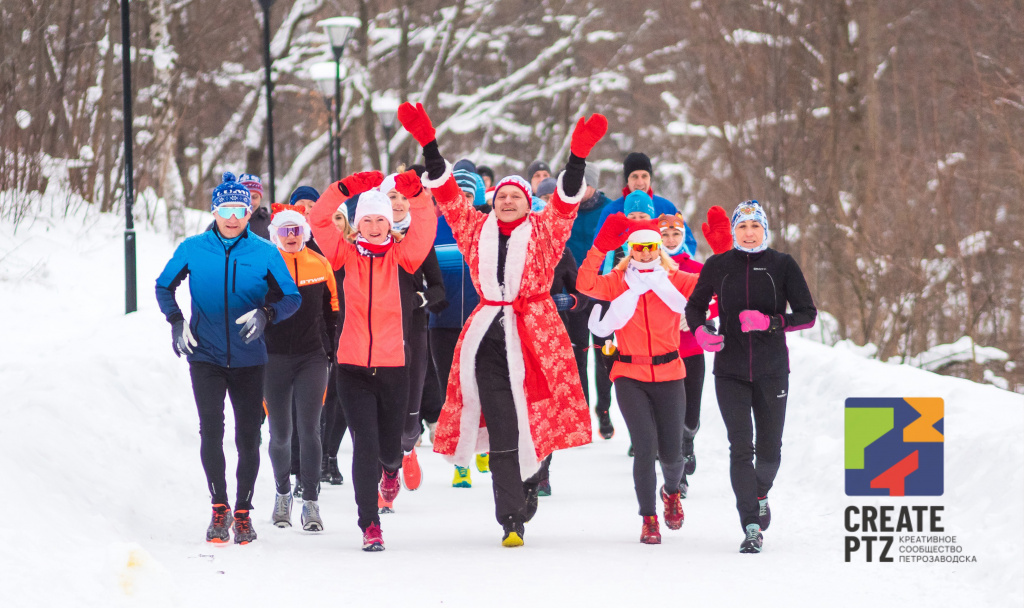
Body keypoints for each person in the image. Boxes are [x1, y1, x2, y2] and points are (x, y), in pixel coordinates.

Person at [398, 102, 602, 547]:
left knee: (537, 417)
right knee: (505, 423)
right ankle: (510, 518)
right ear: (493, 202)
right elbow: (448, 195)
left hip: (536, 334)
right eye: (502, 196)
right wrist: (429, 145)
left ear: (527, 204)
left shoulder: (545, 233)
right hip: (489, 334)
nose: (508, 201)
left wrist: (577, 158)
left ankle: (533, 481)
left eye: (516, 196)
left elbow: (566, 203)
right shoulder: (475, 230)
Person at [155, 172, 301, 544]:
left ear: (249, 211)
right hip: (205, 355)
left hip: (251, 358)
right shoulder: (193, 248)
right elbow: (163, 285)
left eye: (240, 209)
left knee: (248, 437)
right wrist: (176, 321)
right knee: (211, 431)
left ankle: (243, 511)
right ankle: (219, 508)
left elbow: (291, 296)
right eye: (226, 209)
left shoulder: (265, 251)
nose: (233, 217)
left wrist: (266, 314)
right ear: (214, 209)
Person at [577, 211, 731, 544]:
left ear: (659, 248)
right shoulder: (618, 282)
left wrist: (724, 251)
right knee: (645, 448)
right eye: (639, 247)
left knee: (673, 454)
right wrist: (600, 247)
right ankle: (648, 519)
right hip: (629, 373)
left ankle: (671, 492)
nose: (645, 253)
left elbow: (719, 283)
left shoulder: (676, 280)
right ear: (630, 250)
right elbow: (585, 283)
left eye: (651, 246)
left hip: (670, 372)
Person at [308, 169, 437, 552]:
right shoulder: (342, 254)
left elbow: (426, 226)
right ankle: (370, 524)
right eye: (368, 219)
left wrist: (416, 194)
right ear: (358, 223)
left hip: (395, 367)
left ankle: (392, 471)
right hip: (351, 368)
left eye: (382, 219)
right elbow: (319, 218)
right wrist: (346, 189)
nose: (376, 225)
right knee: (364, 446)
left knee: (388, 449)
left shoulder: (403, 257)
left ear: (390, 222)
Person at [684, 200, 817, 554]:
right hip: (730, 370)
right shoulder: (718, 266)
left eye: (754, 226)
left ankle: (760, 493)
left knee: (769, 453)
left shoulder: (782, 265)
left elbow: (807, 314)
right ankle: (751, 525)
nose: (748, 232)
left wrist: (772, 322)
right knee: (741, 448)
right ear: (733, 232)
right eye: (742, 226)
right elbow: (694, 306)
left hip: (773, 370)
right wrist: (700, 331)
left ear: (765, 229)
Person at [263, 208, 338, 531]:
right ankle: (282, 495)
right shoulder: (266, 264)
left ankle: (310, 502)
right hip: (273, 358)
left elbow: (333, 308)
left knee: (309, 430)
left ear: (305, 233)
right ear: (275, 235)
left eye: (296, 230)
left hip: (312, 357)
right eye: (285, 231)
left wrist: (330, 349)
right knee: (280, 433)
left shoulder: (320, 264)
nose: (291, 236)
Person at [377, 172, 447, 497]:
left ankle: (407, 449)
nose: (399, 203)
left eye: (405, 198)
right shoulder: (368, 240)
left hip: (414, 332)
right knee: (379, 409)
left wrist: (418, 299)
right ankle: (385, 472)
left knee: (408, 422)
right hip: (377, 335)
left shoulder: (419, 241)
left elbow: (438, 290)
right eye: (393, 197)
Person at [659, 213, 718, 497]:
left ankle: (689, 439)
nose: (670, 239)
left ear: (683, 237)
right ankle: (677, 475)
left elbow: (719, 298)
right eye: (665, 235)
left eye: (675, 234)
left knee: (690, 414)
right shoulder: (650, 266)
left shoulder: (696, 267)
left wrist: (699, 315)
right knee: (670, 414)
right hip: (662, 350)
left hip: (692, 348)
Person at [436, 169, 485, 488]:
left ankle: (485, 446)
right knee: (450, 395)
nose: (463, 201)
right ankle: (459, 462)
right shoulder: (434, 227)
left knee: (483, 388)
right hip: (441, 323)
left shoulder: (488, 228)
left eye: (469, 196)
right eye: (459, 196)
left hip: (481, 323)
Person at [563, 165, 615, 439]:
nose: (579, 190)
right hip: (575, 293)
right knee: (578, 354)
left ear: (594, 185)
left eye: (585, 184)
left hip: (603, 289)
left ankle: (603, 410)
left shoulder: (608, 210)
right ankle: (581, 411)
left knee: (604, 352)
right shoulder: (565, 210)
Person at [593, 153, 696, 255]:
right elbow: (599, 249)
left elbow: (688, 243)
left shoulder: (665, 207)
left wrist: (670, 264)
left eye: (644, 176)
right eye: (634, 176)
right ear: (627, 179)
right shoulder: (612, 211)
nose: (640, 182)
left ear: (650, 178)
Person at [319, 202, 353, 485]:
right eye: (330, 219)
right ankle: (317, 456)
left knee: (341, 396)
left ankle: (330, 455)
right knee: (322, 395)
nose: (335, 223)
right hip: (321, 329)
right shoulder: (317, 253)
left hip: (351, 327)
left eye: (339, 218)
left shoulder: (356, 249)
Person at [204, 173, 272, 239]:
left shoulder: (272, 222)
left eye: (254, 197)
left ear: (261, 198)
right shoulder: (218, 225)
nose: (250, 202)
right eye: (246, 199)